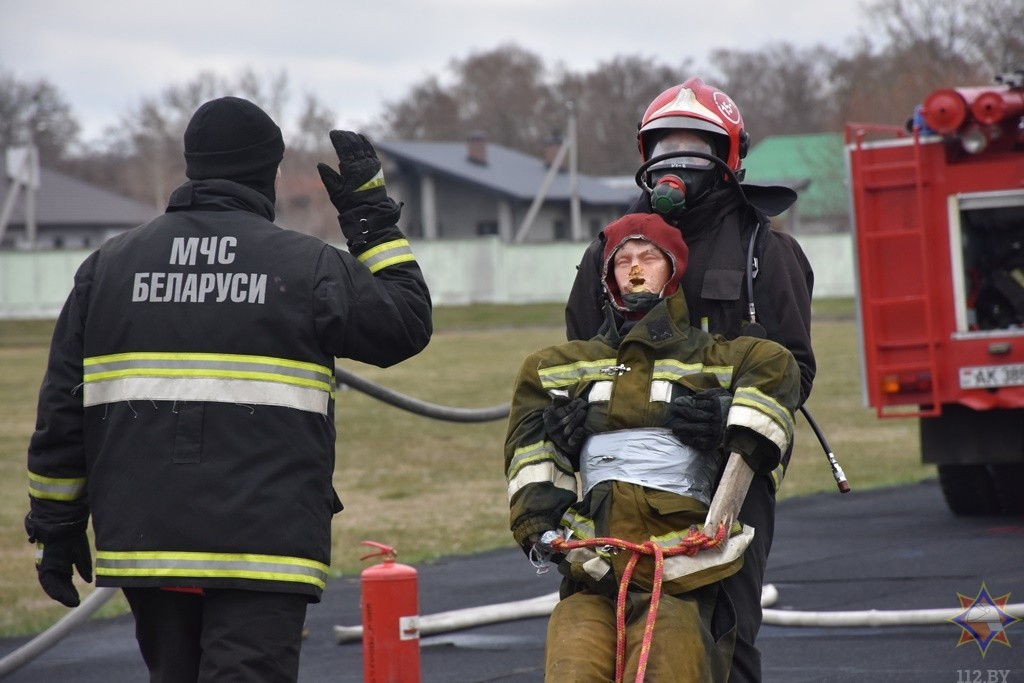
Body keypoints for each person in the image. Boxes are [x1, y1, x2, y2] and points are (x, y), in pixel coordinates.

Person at [24, 96, 432, 682]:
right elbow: (406, 325)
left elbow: (62, 410)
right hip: (264, 547)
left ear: (193, 165)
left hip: (150, 543)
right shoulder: (307, 266)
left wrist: (55, 526)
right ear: (267, 172)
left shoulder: (106, 268)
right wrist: (370, 215)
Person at [562, 78, 815, 682]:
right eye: (663, 146)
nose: (677, 161)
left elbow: (795, 372)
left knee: (723, 639)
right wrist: (569, 413)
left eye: (695, 145)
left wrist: (732, 414)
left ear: (729, 156)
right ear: (643, 158)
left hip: (728, 480)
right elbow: (579, 358)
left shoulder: (766, 253)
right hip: (617, 487)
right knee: (604, 631)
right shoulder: (611, 252)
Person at [505, 212, 801, 681]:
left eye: (649, 257)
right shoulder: (557, 368)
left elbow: (781, 367)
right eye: (623, 261)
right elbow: (530, 458)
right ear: (607, 278)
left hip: (681, 569)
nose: (636, 268)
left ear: (674, 270)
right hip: (593, 567)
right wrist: (541, 528)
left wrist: (727, 418)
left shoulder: (721, 357)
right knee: (573, 669)